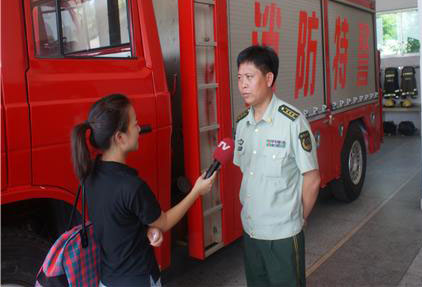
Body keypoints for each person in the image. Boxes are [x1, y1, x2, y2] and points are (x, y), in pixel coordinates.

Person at [71, 94, 217, 287]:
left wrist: (147, 230)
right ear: (120, 137)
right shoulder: (132, 186)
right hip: (138, 279)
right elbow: (163, 222)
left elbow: (119, 223)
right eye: (135, 124)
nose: (139, 128)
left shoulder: (89, 174)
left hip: (107, 280)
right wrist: (196, 192)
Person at [234, 46, 321, 287]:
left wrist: (297, 218)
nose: (243, 85)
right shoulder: (242, 124)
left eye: (249, 77)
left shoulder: (292, 122)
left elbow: (312, 179)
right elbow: (246, 172)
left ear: (269, 78)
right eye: (239, 78)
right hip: (251, 231)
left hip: (283, 235)